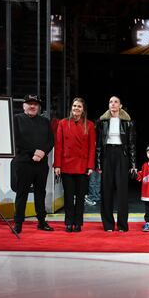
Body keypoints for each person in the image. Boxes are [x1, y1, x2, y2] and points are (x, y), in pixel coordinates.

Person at [12, 94, 55, 234]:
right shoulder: (16, 119)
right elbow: (16, 140)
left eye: (35, 104)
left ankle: (42, 222)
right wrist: (34, 152)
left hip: (41, 163)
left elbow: (51, 140)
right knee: (21, 193)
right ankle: (18, 223)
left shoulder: (45, 121)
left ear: (38, 107)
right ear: (24, 105)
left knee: (40, 193)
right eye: (29, 103)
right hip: (23, 162)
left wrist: (43, 152)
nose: (32, 106)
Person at [53, 97, 96, 232]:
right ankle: (68, 222)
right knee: (68, 196)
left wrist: (90, 166)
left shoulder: (89, 125)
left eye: (79, 106)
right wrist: (57, 165)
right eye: (74, 106)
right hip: (66, 165)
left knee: (80, 196)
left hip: (82, 166)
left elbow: (92, 148)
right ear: (71, 108)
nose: (76, 108)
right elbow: (59, 145)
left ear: (83, 110)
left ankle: (78, 223)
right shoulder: (63, 123)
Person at [96, 96, 136, 232]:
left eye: (116, 102)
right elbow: (99, 146)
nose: (113, 104)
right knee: (106, 190)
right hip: (107, 155)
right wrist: (99, 164)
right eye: (110, 102)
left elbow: (131, 145)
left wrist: (133, 164)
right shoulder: (102, 122)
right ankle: (108, 224)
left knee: (122, 192)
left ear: (120, 105)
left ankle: (122, 225)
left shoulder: (128, 122)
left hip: (121, 156)